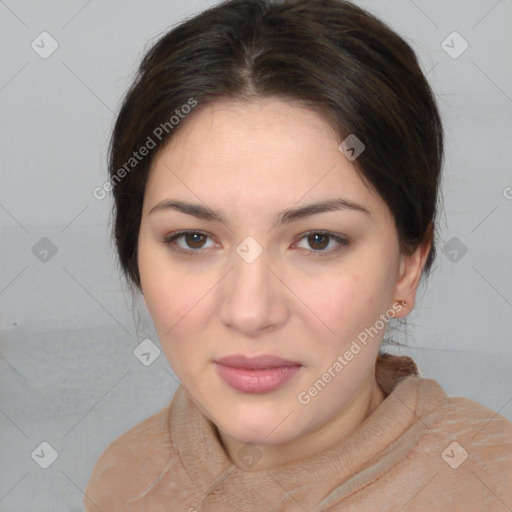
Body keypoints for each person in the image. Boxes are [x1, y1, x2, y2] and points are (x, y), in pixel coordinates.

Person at [83, 0, 512, 510]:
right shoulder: (126, 477)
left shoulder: (490, 485)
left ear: (407, 264)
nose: (249, 311)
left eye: (318, 240)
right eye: (194, 239)